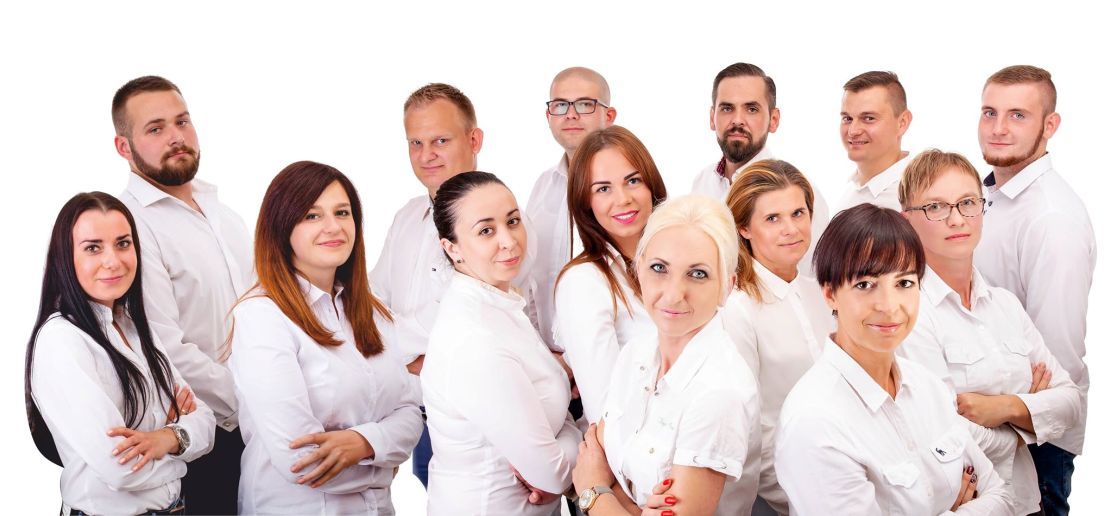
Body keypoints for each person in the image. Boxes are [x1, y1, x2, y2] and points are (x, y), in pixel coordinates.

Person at [775, 204, 1013, 515]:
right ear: (830, 294)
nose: (889, 306)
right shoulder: (815, 422)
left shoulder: (927, 386)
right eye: (865, 285)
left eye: (904, 283)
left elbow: (1001, 497)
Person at [227, 162, 422, 514]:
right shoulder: (262, 316)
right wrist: (382, 463)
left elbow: (410, 414)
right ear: (281, 227)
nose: (333, 226)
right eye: (312, 216)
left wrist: (363, 443)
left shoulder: (372, 311)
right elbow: (301, 462)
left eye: (342, 212)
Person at [897, 149, 1081, 515]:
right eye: (936, 207)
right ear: (907, 220)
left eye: (967, 203)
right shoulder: (906, 312)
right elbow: (943, 434)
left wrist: (1004, 407)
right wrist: (1028, 423)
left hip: (1027, 503)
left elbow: (1071, 404)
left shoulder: (1005, 305)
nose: (956, 219)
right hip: (965, 505)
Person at [26, 192, 215, 515]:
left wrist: (166, 438)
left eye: (123, 243)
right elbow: (121, 469)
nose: (113, 261)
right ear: (65, 258)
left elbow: (206, 421)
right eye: (93, 248)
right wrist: (180, 447)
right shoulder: (62, 340)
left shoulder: (133, 326)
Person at [113, 75, 252, 514]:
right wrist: (253, 399)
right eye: (155, 129)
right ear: (123, 147)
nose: (176, 137)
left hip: (258, 427)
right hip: (199, 438)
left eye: (182, 121)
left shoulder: (224, 214)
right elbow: (164, 346)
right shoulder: (130, 226)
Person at [572, 195, 761, 516]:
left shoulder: (719, 393)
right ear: (638, 270)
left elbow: (593, 474)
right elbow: (596, 452)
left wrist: (593, 492)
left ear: (727, 287)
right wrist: (626, 504)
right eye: (659, 268)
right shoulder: (635, 354)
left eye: (698, 274)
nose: (673, 294)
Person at [421, 171, 581, 515]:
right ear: (451, 248)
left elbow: (553, 435)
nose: (509, 241)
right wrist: (582, 440)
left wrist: (565, 437)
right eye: (486, 231)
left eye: (512, 221)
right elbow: (552, 476)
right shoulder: (475, 337)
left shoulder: (500, 305)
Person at [975, 65, 1095, 515]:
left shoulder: (1051, 218)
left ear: (1050, 125)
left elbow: (1055, 358)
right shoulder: (984, 195)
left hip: (1034, 437)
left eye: (1018, 115)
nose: (999, 128)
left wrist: (1011, 409)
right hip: (991, 423)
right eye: (990, 112)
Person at [370, 83, 485, 488]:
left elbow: (457, 319)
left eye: (440, 140)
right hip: (416, 410)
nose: (426, 155)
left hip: (474, 415)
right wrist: (409, 357)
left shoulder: (496, 219)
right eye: (415, 143)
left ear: (474, 140)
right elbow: (370, 302)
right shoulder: (407, 216)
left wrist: (393, 351)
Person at [721, 160, 835, 515]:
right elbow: (750, 431)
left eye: (798, 213)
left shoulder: (821, 293)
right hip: (783, 493)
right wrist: (800, 499)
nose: (791, 229)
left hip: (840, 469)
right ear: (744, 228)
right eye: (772, 218)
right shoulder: (737, 310)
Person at [554, 126, 666, 424]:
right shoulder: (583, 282)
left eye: (633, 180)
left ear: (651, 185)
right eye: (603, 189)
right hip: (641, 445)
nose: (623, 198)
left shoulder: (678, 259)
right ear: (585, 201)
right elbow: (605, 410)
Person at [691, 63, 829, 276]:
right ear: (712, 117)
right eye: (727, 108)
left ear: (773, 120)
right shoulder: (703, 182)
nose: (737, 120)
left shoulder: (798, 192)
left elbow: (812, 279)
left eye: (751, 109)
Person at [528, 66, 618, 347]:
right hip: (548, 357)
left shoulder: (629, 190)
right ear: (549, 116)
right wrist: (542, 351)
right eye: (560, 105)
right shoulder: (542, 187)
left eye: (584, 104)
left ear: (609, 116)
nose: (571, 114)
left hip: (610, 355)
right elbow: (531, 279)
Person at [837, 71, 914, 212]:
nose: (853, 131)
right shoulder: (849, 191)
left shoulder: (917, 197)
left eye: (869, 118)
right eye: (847, 119)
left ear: (902, 123)